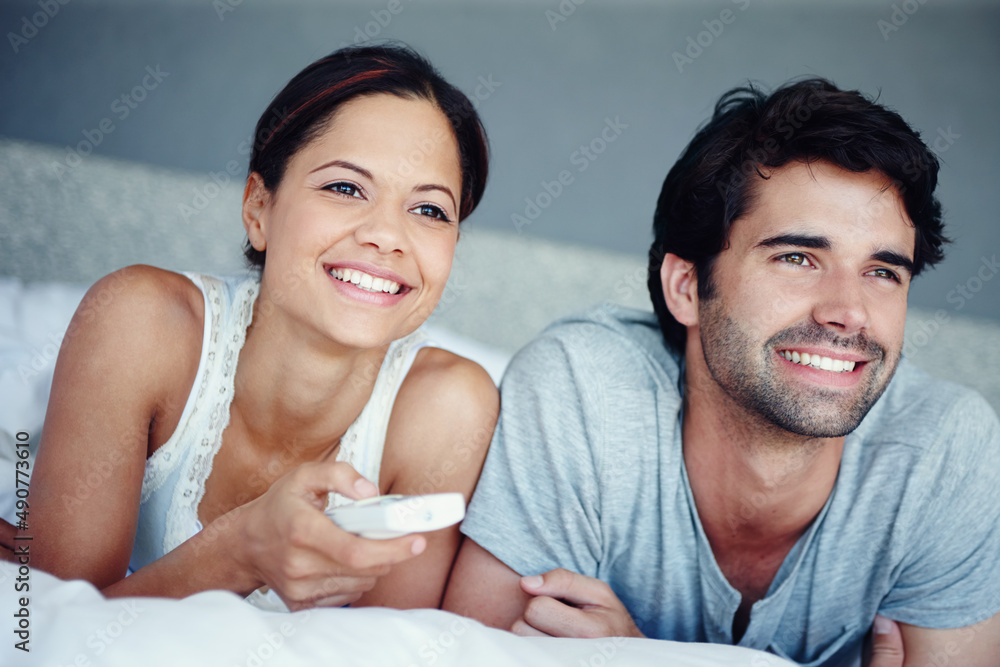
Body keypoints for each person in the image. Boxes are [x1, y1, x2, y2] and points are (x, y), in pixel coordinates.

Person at [443, 79, 1000, 666]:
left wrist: (637, 659)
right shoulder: (585, 392)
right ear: (686, 287)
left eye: (883, 272)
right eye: (797, 258)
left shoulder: (944, 452)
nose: (849, 313)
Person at [0, 44, 498, 611]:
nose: (387, 236)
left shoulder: (449, 410)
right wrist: (240, 553)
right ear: (259, 208)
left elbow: (383, 651)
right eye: (345, 187)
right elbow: (41, 628)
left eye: (430, 210)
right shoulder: (140, 323)